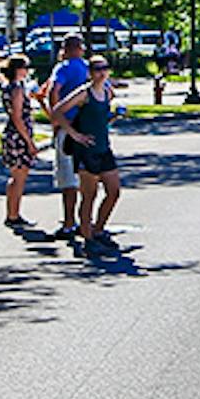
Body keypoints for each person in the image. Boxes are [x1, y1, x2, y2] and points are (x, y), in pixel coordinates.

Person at [57, 55, 124, 253]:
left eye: (105, 68)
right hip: (86, 151)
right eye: (97, 69)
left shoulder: (107, 91)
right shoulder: (83, 93)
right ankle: (87, 237)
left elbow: (102, 120)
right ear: (89, 72)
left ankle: (99, 229)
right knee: (89, 195)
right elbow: (57, 111)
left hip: (104, 148)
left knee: (113, 191)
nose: (101, 72)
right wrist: (75, 135)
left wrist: (115, 116)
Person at [40, 37, 91, 241]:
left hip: (68, 126)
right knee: (87, 176)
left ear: (66, 49)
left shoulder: (63, 68)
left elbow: (54, 91)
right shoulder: (89, 68)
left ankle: (69, 222)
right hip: (87, 127)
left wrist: (55, 116)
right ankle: (86, 220)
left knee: (67, 177)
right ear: (80, 49)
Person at [0, 55, 40, 231]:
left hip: (12, 134)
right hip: (18, 136)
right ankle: (14, 214)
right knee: (20, 176)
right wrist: (29, 142)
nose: (27, 71)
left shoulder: (9, 87)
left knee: (15, 176)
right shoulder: (16, 89)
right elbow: (17, 116)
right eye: (25, 68)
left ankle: (12, 213)